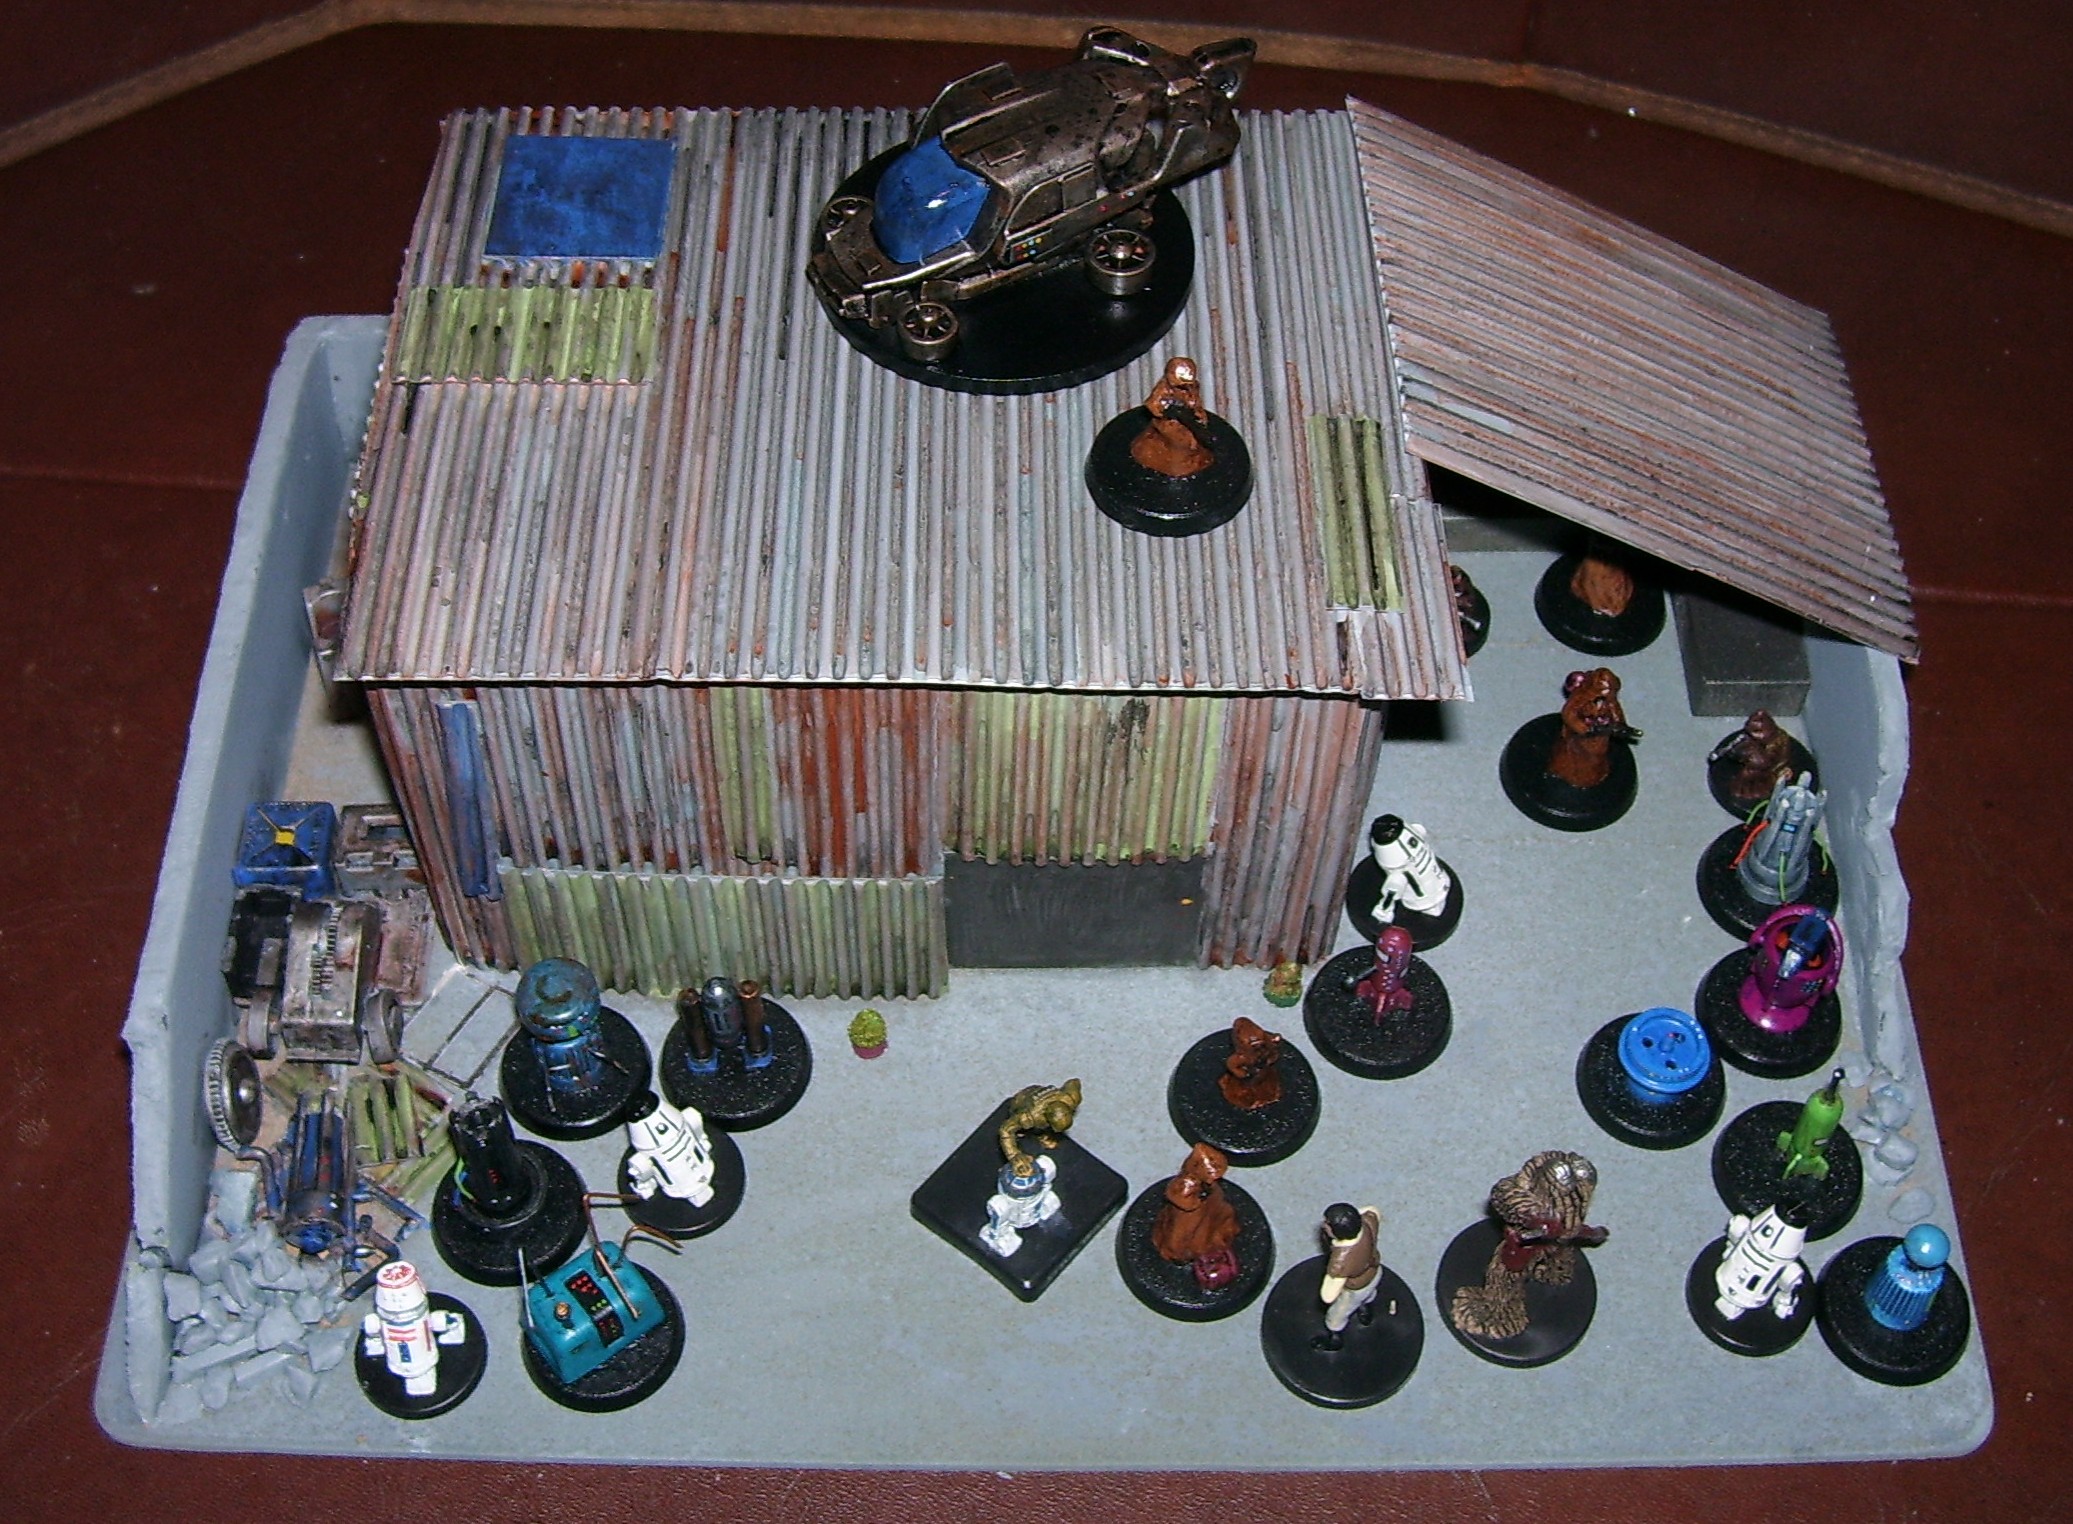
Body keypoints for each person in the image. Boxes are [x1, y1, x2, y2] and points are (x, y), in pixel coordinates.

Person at [1312, 1202, 1383, 1351]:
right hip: (1374, 1273)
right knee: (1369, 1295)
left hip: (1354, 1289)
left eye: (1328, 1224)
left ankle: (1334, 1341)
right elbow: (1372, 1210)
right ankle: (1366, 1311)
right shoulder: (1369, 1222)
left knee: (1336, 1316)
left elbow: (1328, 1296)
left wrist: (1330, 1278)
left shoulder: (1340, 1261)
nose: (1324, 1225)